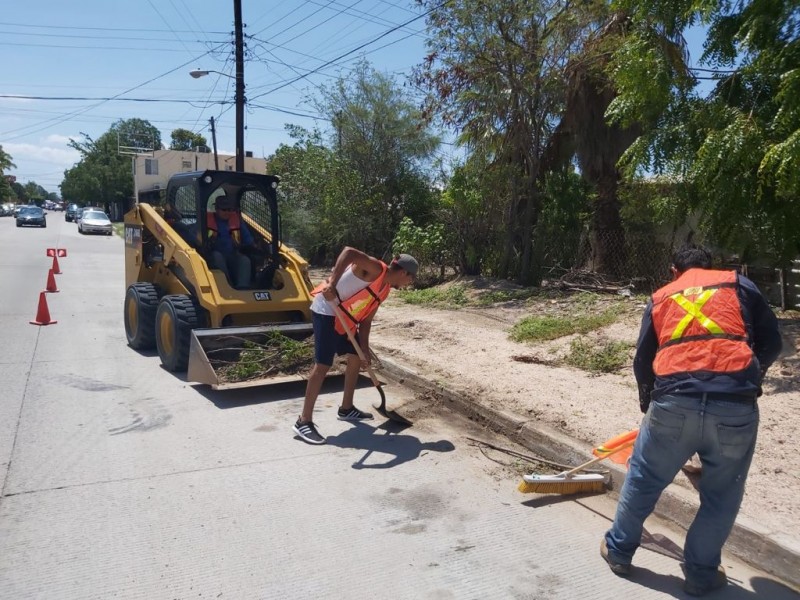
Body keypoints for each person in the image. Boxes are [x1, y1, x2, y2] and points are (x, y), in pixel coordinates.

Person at [600, 243, 782, 596]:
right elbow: (772, 342)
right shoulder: (738, 284)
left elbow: (643, 360)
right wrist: (748, 379)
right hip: (735, 405)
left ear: (673, 271)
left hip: (673, 404)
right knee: (721, 495)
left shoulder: (661, 296)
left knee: (645, 477)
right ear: (712, 267)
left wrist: (649, 406)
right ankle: (700, 574)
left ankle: (620, 551)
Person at [292, 247, 418, 445]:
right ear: (404, 273)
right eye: (411, 279)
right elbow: (349, 252)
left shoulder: (383, 290)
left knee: (355, 356)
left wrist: (365, 351)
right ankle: (303, 421)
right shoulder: (376, 269)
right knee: (323, 364)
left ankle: (346, 408)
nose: (409, 284)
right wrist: (332, 284)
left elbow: (366, 322)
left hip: (343, 318)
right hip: (326, 310)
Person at [206, 195, 254, 288]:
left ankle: (242, 288)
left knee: (244, 260)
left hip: (231, 254)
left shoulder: (236, 221)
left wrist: (257, 246)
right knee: (217, 256)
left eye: (229, 209)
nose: (227, 212)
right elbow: (195, 238)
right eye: (224, 209)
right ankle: (227, 286)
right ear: (217, 209)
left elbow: (248, 239)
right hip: (211, 256)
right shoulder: (206, 221)